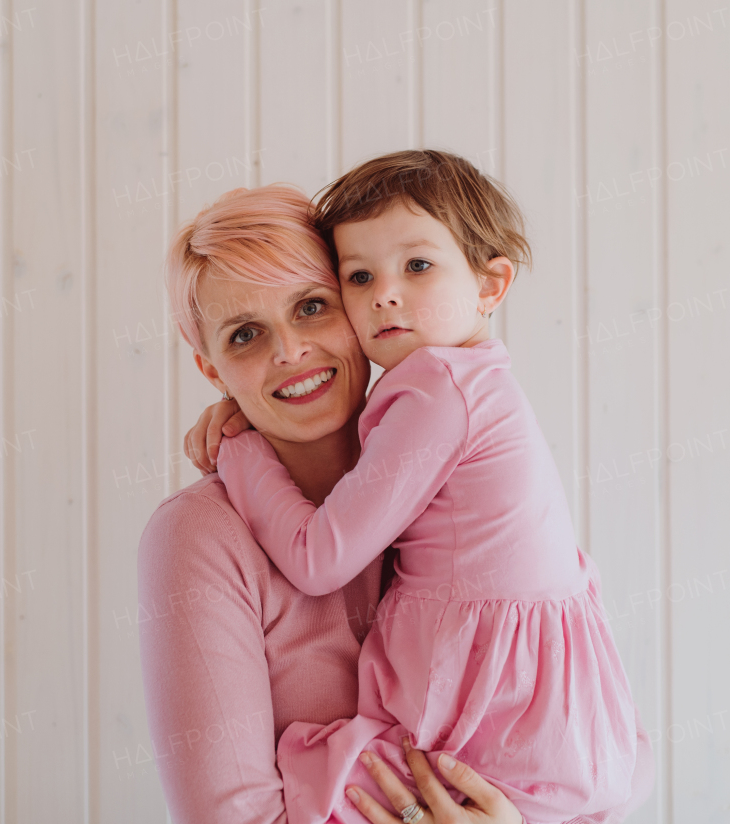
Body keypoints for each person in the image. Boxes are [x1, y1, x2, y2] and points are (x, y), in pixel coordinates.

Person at [210, 151, 654, 824]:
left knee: (326, 787)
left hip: (493, 696)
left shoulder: (438, 386)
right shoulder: (475, 379)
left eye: (416, 266)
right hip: (542, 700)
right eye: (359, 276)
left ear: (490, 284)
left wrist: (238, 449)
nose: (384, 292)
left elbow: (317, 557)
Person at [138, 182, 532, 824]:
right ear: (213, 371)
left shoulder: (463, 473)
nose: (289, 352)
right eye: (243, 336)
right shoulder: (198, 536)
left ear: (362, 303)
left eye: (313, 306)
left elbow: (587, 729)